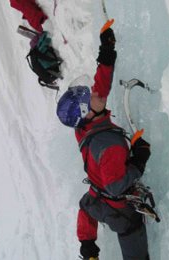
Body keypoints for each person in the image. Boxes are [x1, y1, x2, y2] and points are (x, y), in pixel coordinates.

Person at [57, 22, 151, 260]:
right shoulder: (109, 144)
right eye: (91, 97)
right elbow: (116, 186)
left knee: (87, 205)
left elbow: (101, 87)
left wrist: (106, 54)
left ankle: (87, 246)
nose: (95, 92)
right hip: (120, 211)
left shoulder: (84, 126)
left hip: (96, 197)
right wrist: (139, 160)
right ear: (89, 111)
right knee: (132, 235)